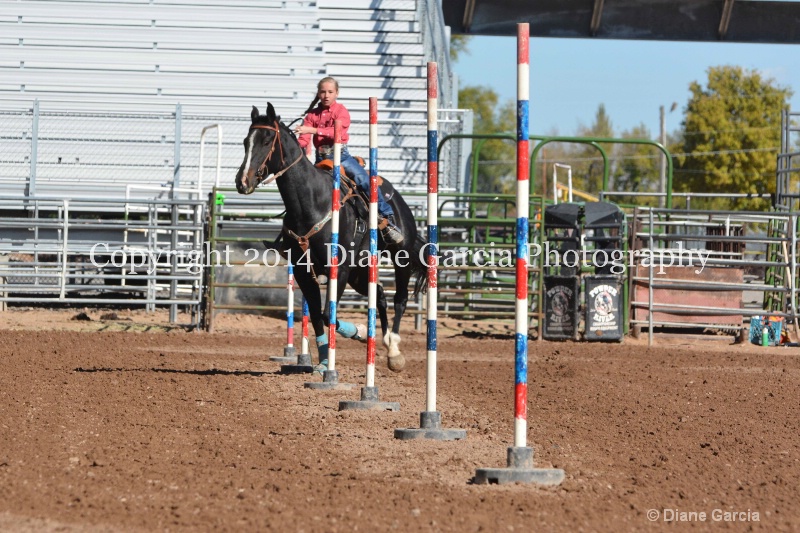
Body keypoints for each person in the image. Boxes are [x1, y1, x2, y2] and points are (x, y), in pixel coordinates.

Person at [294, 77, 404, 245]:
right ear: (318, 93)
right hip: (320, 158)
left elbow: (336, 132)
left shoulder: (341, 111)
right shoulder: (312, 115)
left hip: (342, 156)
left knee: (364, 180)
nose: (326, 95)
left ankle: (386, 216)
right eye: (323, 92)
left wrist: (312, 129)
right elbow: (304, 139)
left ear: (336, 93)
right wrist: (294, 143)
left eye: (330, 92)